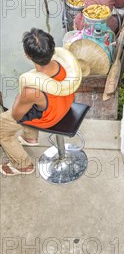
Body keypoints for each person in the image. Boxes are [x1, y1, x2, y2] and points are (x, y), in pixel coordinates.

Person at [0, 29, 76, 176]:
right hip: (65, 105)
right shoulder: (64, 64)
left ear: (27, 55)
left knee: (2, 128)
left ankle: (23, 166)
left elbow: (16, 115)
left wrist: (19, 97)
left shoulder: (31, 90)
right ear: (52, 50)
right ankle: (30, 138)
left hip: (50, 117)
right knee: (31, 104)